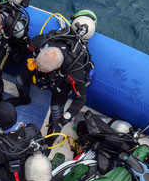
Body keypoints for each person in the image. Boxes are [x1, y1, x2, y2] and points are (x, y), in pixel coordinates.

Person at [8, 10, 97, 141]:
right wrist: (19, 58)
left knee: (56, 114)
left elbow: (81, 98)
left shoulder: (75, 67)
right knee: (20, 79)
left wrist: (64, 119)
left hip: (62, 80)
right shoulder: (40, 42)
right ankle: (24, 98)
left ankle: (48, 143)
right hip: (43, 67)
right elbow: (26, 48)